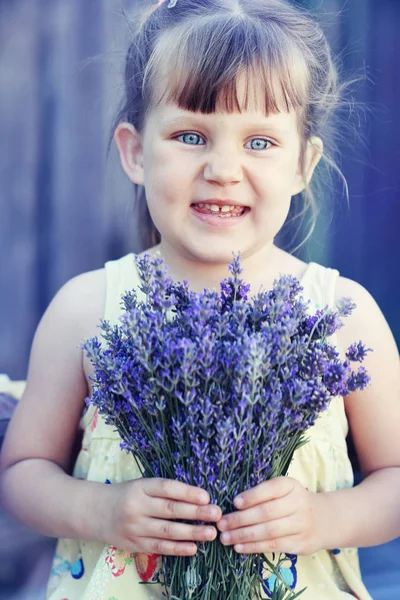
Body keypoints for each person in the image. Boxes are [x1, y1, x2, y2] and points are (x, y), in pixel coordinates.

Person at [1, 0, 399, 598]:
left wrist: (322, 519)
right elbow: (21, 473)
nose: (223, 168)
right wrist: (102, 511)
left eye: (260, 142)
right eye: (191, 135)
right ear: (136, 152)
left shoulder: (340, 316)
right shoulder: (88, 308)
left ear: (303, 164)